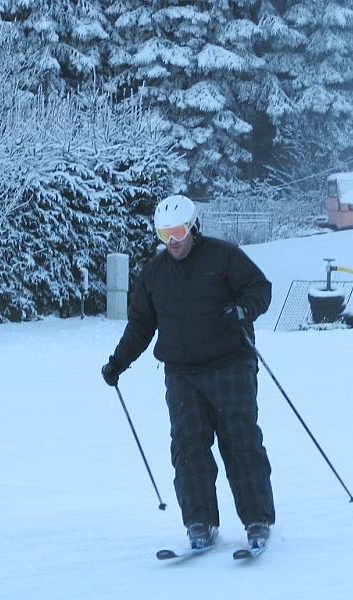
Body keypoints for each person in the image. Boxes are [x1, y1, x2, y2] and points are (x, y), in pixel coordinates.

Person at [101, 194, 275, 550]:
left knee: (240, 441)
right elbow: (140, 325)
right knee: (188, 448)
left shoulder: (223, 255)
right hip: (181, 373)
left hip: (230, 363)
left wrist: (243, 309)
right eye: (165, 235)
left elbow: (260, 288)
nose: (174, 241)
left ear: (194, 228)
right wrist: (119, 362)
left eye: (179, 231)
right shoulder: (155, 273)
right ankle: (199, 522)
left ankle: (257, 519)